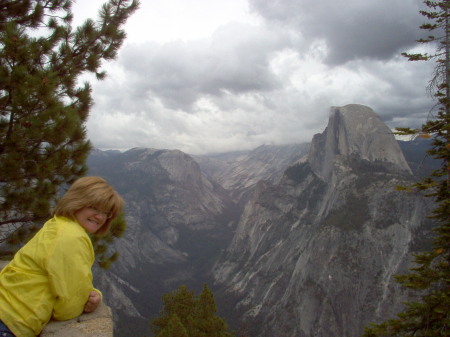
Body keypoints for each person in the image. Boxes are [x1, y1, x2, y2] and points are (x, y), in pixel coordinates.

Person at [0, 176, 124, 337]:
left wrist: (91, 292)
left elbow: (68, 281)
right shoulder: (71, 237)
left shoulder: (58, 224)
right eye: (94, 207)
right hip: (11, 322)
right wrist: (92, 299)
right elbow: (69, 307)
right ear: (77, 202)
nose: (100, 217)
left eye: (106, 213)